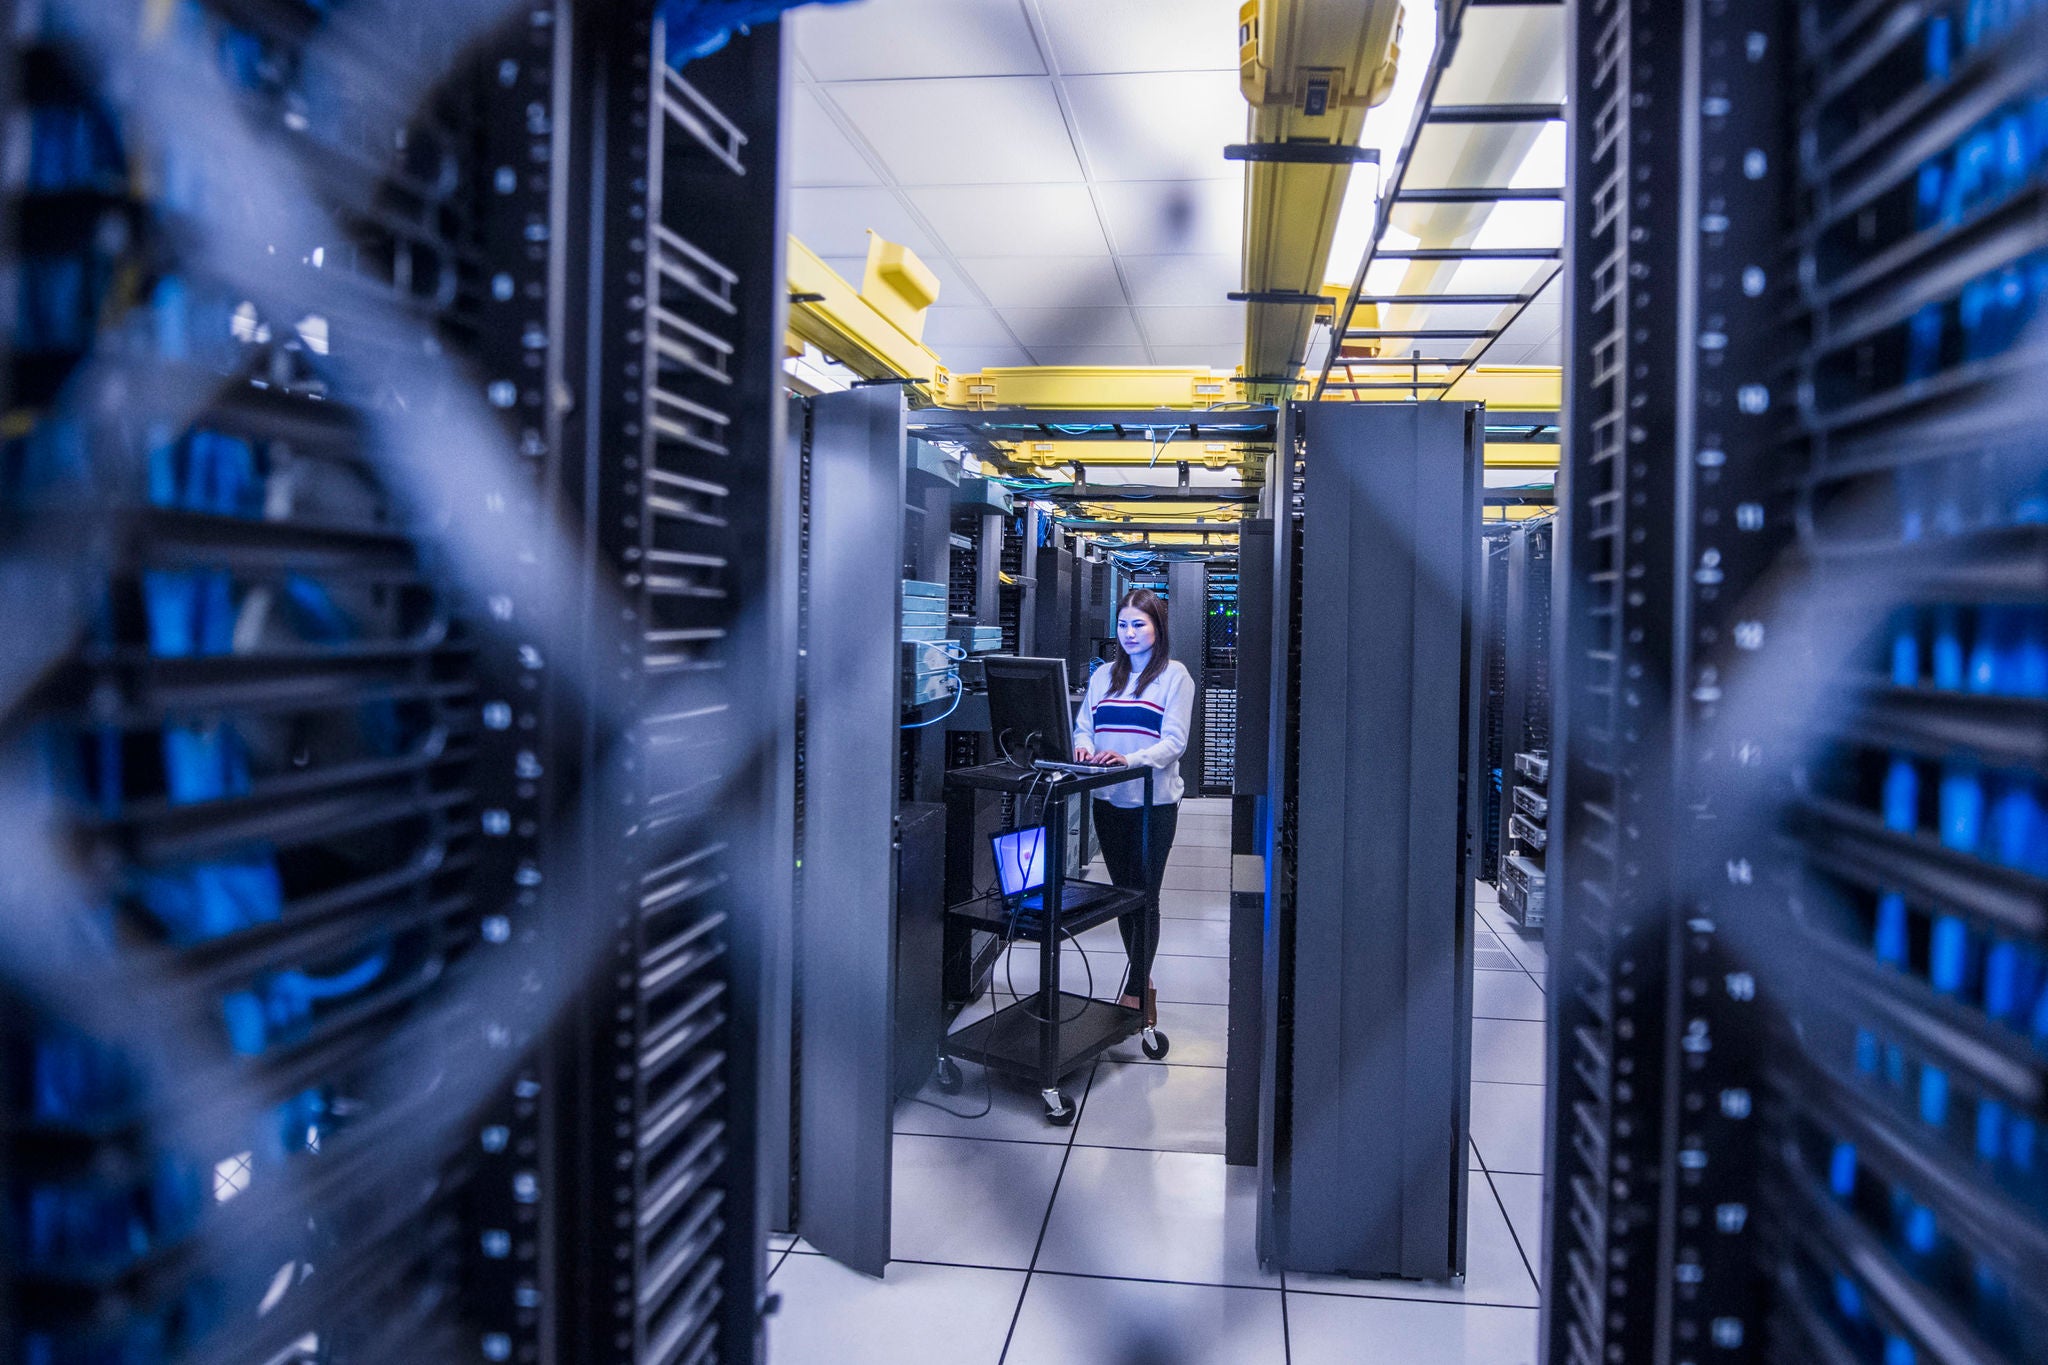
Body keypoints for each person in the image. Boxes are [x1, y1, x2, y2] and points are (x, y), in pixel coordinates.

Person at [1072, 588, 1193, 1023]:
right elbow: (1084, 725)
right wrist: (1084, 748)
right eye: (1123, 624)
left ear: (1158, 628)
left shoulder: (1176, 677)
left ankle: (1137, 988)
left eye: (1139, 624)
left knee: (1146, 896)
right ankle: (1141, 981)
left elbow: (1174, 742)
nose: (1129, 633)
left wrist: (1128, 760)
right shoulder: (1104, 675)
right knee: (1123, 895)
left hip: (1153, 802)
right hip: (1108, 798)